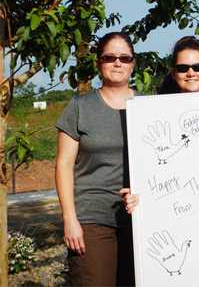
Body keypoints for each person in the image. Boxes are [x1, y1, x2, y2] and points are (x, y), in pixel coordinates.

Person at [55, 32, 138, 286]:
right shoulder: (81, 106)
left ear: (133, 64)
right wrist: (70, 219)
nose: (117, 63)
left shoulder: (149, 107)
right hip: (92, 218)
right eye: (109, 57)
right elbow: (63, 165)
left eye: (124, 58)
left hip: (139, 218)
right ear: (98, 62)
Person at [123, 36, 199, 214]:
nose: (191, 73)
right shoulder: (154, 117)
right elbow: (149, 169)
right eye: (183, 68)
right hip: (174, 210)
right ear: (174, 73)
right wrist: (138, 193)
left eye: (198, 67)